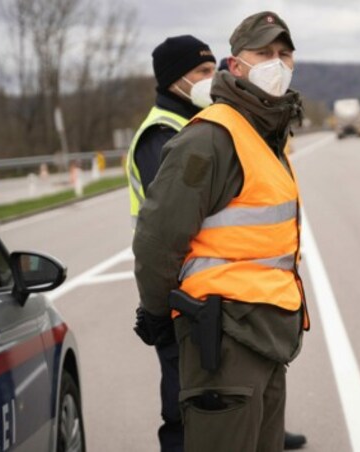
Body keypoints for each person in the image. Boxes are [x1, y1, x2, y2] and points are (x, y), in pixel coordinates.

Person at [132, 11, 308, 452]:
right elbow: (158, 237)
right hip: (223, 336)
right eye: (263, 53)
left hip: (267, 334)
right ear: (236, 64)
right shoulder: (210, 138)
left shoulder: (265, 134)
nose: (276, 63)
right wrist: (157, 314)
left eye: (284, 54)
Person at [126, 34, 216, 452]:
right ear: (174, 79)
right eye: (202, 72)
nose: (210, 80)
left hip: (205, 283)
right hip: (178, 288)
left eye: (213, 70)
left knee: (218, 389)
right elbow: (166, 226)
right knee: (183, 404)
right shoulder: (160, 134)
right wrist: (158, 307)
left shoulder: (197, 123)